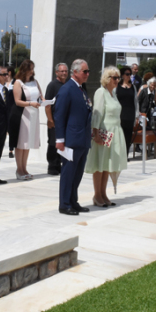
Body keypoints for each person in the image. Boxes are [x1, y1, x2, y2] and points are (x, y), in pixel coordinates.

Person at [54, 59, 93, 216]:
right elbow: (59, 115)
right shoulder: (67, 89)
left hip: (82, 139)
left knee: (77, 173)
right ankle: (64, 204)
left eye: (88, 71)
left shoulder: (81, 89)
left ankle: (73, 201)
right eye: (85, 71)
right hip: (71, 139)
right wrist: (60, 139)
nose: (87, 74)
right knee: (68, 172)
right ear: (75, 72)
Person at [85, 67, 127, 206]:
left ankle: (103, 194)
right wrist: (96, 133)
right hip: (104, 132)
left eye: (118, 78)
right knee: (99, 164)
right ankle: (97, 195)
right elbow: (97, 114)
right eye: (114, 78)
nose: (117, 80)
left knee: (107, 165)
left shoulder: (113, 93)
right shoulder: (100, 92)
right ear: (107, 78)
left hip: (114, 133)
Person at [9, 59, 43, 180]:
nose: (32, 71)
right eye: (30, 69)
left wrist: (46, 102)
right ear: (24, 69)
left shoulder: (35, 82)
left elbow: (41, 97)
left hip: (34, 114)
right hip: (23, 114)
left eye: (33, 69)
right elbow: (17, 101)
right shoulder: (18, 83)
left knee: (28, 143)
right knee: (21, 143)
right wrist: (30, 104)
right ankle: (19, 169)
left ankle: (25, 168)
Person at [44, 63, 68, 175]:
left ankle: (60, 164)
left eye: (65, 71)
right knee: (53, 144)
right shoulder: (52, 85)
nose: (64, 73)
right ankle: (52, 166)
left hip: (66, 122)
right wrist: (50, 120)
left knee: (63, 143)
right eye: (61, 71)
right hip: (55, 121)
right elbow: (47, 104)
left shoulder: (68, 85)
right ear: (56, 72)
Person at [116, 66, 137, 159]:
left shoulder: (133, 87)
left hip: (130, 115)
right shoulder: (117, 87)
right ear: (122, 75)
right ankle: (119, 155)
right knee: (120, 136)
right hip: (120, 115)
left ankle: (125, 156)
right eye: (127, 74)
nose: (129, 76)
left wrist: (137, 115)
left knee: (128, 137)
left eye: (130, 74)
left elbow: (136, 102)